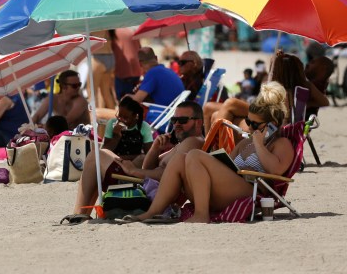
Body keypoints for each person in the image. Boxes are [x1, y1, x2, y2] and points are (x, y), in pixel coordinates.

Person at [128, 82, 295, 223]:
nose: (250, 127)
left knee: (194, 154)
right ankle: (152, 212)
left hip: (252, 192)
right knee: (180, 158)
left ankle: (201, 215)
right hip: (227, 190)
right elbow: (227, 165)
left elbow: (276, 170)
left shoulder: (282, 144)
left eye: (255, 124)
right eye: (248, 121)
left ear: (272, 124)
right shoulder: (245, 142)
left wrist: (259, 144)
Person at [66, 101, 205, 222]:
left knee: (95, 157)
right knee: (98, 156)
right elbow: (149, 166)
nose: (177, 125)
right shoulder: (184, 144)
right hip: (148, 187)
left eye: (183, 120)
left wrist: (133, 171)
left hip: (150, 193)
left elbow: (169, 176)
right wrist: (156, 148)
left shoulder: (194, 142)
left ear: (198, 122)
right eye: (174, 120)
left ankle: (80, 214)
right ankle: (82, 214)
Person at [204, 50, 329, 131]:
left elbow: (281, 118)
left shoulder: (284, 88)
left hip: (265, 117)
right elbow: (324, 102)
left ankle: (209, 148)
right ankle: (209, 147)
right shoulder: (300, 86)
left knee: (230, 103)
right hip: (262, 112)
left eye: (275, 66)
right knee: (211, 109)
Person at [102, 96, 154, 160]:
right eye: (119, 115)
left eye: (126, 118)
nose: (121, 119)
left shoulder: (143, 127)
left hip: (134, 164)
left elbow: (149, 155)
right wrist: (116, 137)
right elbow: (104, 152)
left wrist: (122, 158)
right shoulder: (112, 123)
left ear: (135, 116)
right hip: (113, 162)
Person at [110, 27, 142, 100]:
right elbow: (139, 48)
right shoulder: (131, 30)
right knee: (134, 100)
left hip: (123, 70)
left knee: (123, 101)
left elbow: (115, 51)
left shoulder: (113, 32)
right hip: (137, 69)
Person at [89, 30, 116, 109]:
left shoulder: (94, 25)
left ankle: (94, 118)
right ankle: (114, 117)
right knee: (106, 93)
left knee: (92, 91)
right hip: (110, 57)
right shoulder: (108, 26)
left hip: (98, 57)